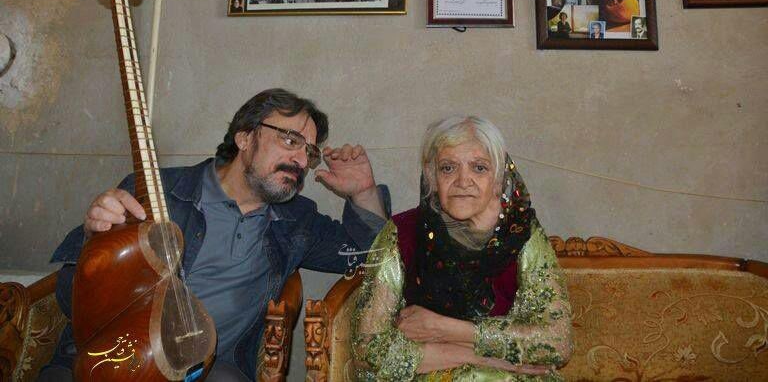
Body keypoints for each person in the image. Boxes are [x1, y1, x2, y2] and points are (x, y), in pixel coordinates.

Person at [41, 88, 390, 382]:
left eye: (309, 152)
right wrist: (96, 243)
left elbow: (371, 257)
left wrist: (363, 192)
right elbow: (68, 296)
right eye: (290, 140)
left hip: (208, 371)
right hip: (111, 360)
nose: (301, 159)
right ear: (244, 137)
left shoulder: (297, 221)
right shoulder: (156, 192)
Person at [352, 116, 572, 381]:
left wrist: (446, 329)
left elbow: (558, 342)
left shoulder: (522, 234)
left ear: (498, 178)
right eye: (448, 168)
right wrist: (480, 356)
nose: (463, 181)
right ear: (432, 177)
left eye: (479, 168)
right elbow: (367, 348)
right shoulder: (402, 233)